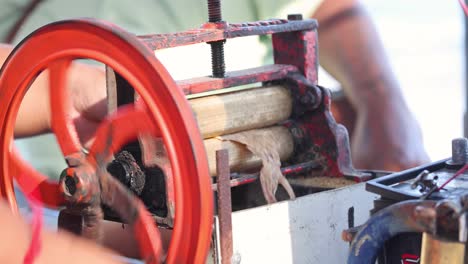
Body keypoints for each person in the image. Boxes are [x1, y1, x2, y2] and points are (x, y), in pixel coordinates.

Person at [0, 0, 430, 173]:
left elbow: (321, 6)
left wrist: (382, 102)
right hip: (57, 187)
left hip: (253, 175)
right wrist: (74, 87)